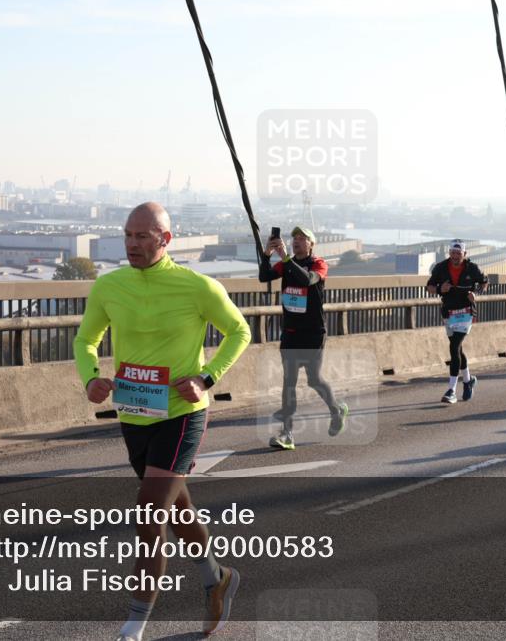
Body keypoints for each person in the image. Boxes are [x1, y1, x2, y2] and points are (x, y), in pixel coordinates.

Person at [74, 203, 251, 640]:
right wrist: (91, 377)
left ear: (165, 239)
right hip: (134, 412)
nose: (131, 244)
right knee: (175, 508)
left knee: (150, 511)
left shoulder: (197, 286)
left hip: (182, 414)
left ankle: (133, 627)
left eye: (142, 236)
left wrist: (207, 378)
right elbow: (86, 339)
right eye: (127, 235)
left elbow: (239, 331)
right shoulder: (109, 286)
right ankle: (217, 579)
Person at [258, 226, 348, 450]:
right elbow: (264, 277)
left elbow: (307, 279)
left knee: (313, 379)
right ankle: (287, 434)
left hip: (313, 333)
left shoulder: (318, 264)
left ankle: (336, 410)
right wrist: (267, 254)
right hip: (290, 333)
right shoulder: (285, 265)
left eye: (302, 238)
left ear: (311, 244)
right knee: (289, 382)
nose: (296, 241)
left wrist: (285, 258)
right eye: (294, 238)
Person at [425, 240, 488, 404]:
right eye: (453, 253)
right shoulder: (441, 267)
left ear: (464, 254)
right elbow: (429, 287)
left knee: (454, 347)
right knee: (457, 349)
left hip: (466, 312)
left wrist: (476, 293)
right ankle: (468, 380)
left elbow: (484, 282)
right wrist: (440, 289)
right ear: (449, 253)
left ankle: (451, 390)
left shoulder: (472, 268)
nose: (455, 256)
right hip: (449, 312)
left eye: (458, 253)